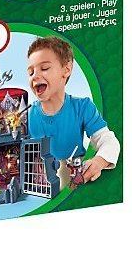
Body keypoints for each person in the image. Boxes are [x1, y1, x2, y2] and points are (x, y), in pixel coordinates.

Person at [26, 35, 119, 187]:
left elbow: (108, 141)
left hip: (73, 182)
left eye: (44, 68)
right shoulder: (27, 116)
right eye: (30, 72)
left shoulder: (83, 107)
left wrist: (99, 162)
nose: (35, 76)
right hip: (41, 185)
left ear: (67, 69)